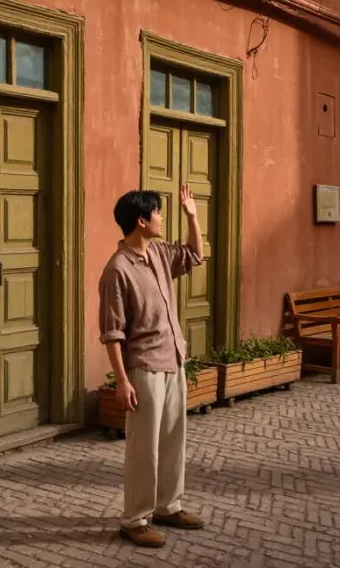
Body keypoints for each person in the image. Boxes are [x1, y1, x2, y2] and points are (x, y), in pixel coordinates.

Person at [98, 185, 205, 548]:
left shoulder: (158, 253)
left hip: (173, 359)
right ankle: (134, 519)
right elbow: (112, 334)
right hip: (143, 367)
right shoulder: (116, 270)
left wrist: (193, 216)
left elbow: (194, 254)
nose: (162, 217)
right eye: (158, 213)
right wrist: (122, 382)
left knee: (174, 440)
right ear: (141, 221)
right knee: (144, 448)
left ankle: (167, 506)